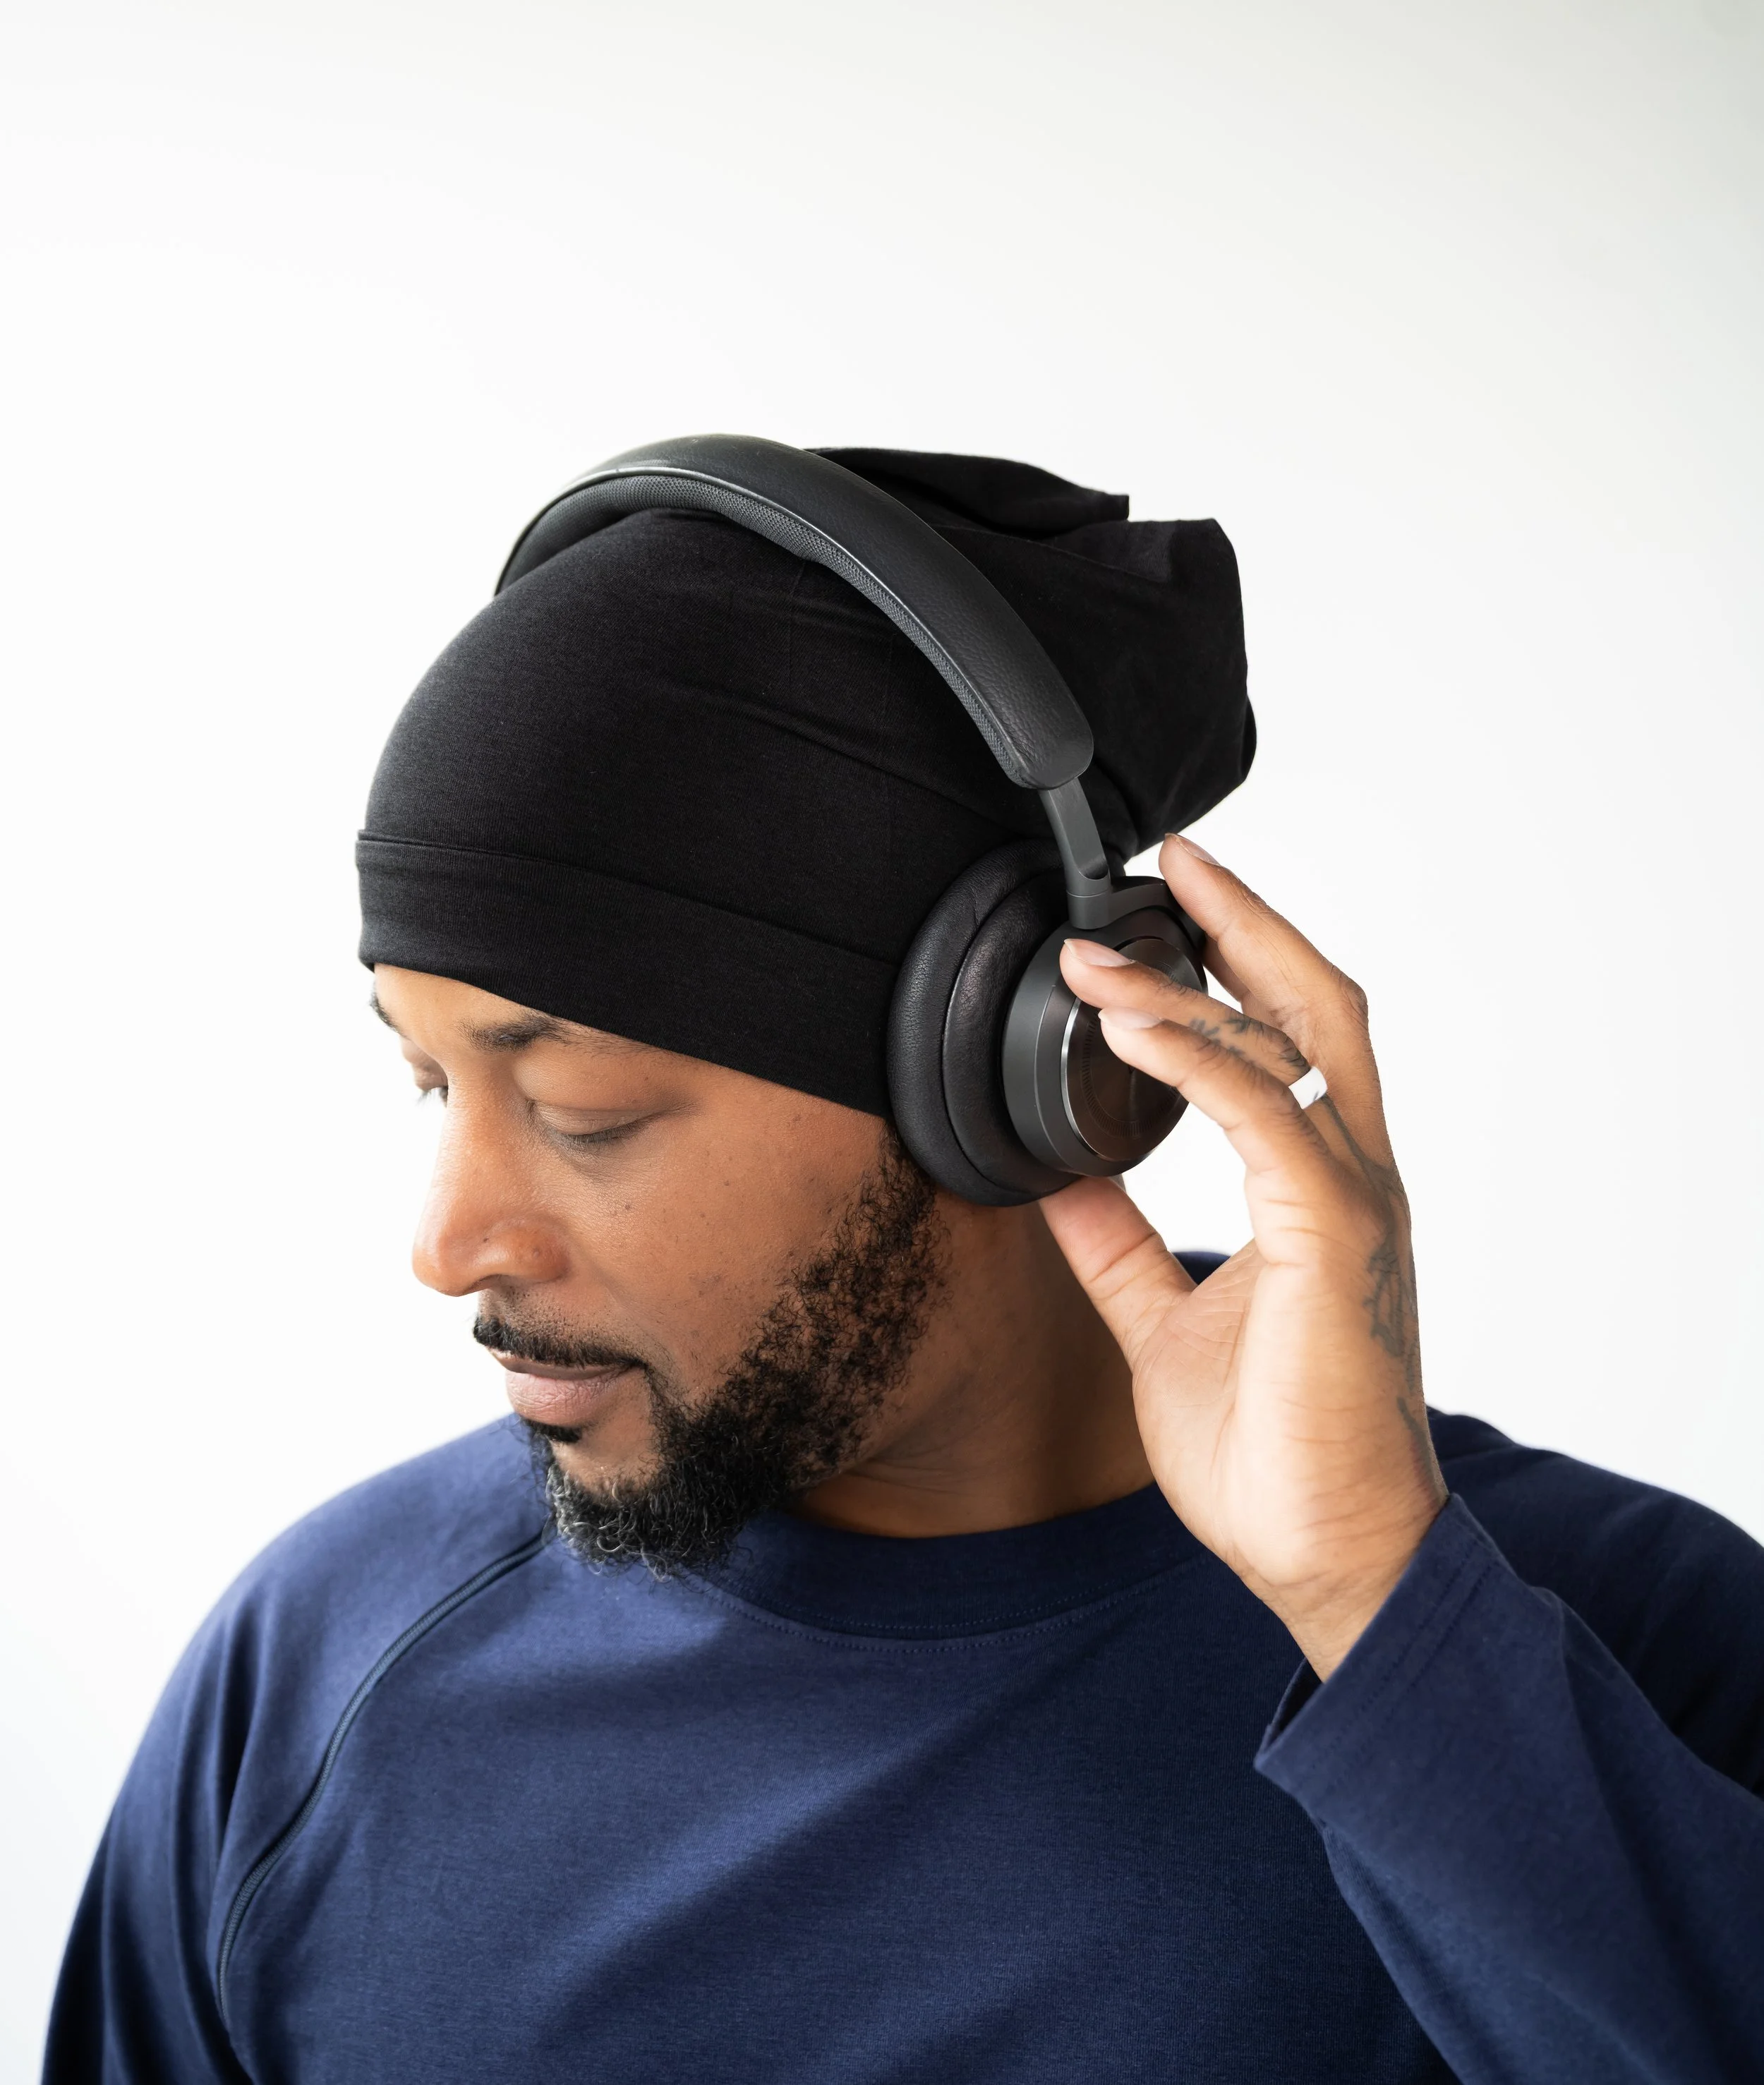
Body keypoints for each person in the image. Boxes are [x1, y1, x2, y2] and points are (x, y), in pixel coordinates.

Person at [46, 447, 1764, 2085]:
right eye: (429, 1082)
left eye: (583, 1112)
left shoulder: (1626, 1654)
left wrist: (1383, 1613)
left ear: (1009, 1069)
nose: (445, 1245)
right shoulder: (313, 1675)